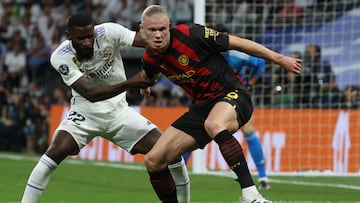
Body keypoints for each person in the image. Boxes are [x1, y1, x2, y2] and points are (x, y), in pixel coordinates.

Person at [20, 12, 190, 203]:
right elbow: (91, 94)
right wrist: (134, 82)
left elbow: (152, 43)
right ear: (69, 37)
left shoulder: (109, 32)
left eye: (90, 36)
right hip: (84, 114)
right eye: (81, 38)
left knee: (171, 152)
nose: (87, 42)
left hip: (120, 113)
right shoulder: (60, 57)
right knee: (53, 154)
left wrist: (149, 70)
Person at [138, 5, 302, 203]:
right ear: (142, 30)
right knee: (153, 160)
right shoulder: (150, 56)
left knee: (214, 124)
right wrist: (146, 85)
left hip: (233, 94)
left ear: (169, 26)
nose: (158, 35)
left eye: (162, 29)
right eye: (152, 30)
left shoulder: (192, 34)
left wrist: (279, 58)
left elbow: (238, 43)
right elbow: (150, 72)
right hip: (202, 107)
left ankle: (251, 195)